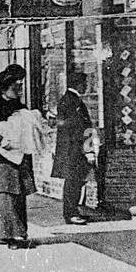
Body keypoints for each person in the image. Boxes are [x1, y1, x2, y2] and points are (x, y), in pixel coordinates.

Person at [0, 65, 36, 250]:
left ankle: (17, 233)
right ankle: (10, 236)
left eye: (21, 86)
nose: (20, 89)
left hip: (17, 158)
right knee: (4, 199)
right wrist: (0, 141)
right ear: (5, 88)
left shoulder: (20, 106)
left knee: (17, 197)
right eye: (16, 86)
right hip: (1, 160)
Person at [53, 73, 92, 226]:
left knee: (75, 181)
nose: (86, 85)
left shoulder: (69, 99)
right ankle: (71, 213)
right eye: (84, 82)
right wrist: (87, 149)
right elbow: (78, 128)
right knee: (73, 182)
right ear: (79, 84)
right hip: (73, 149)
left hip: (72, 149)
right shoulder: (72, 101)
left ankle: (73, 211)